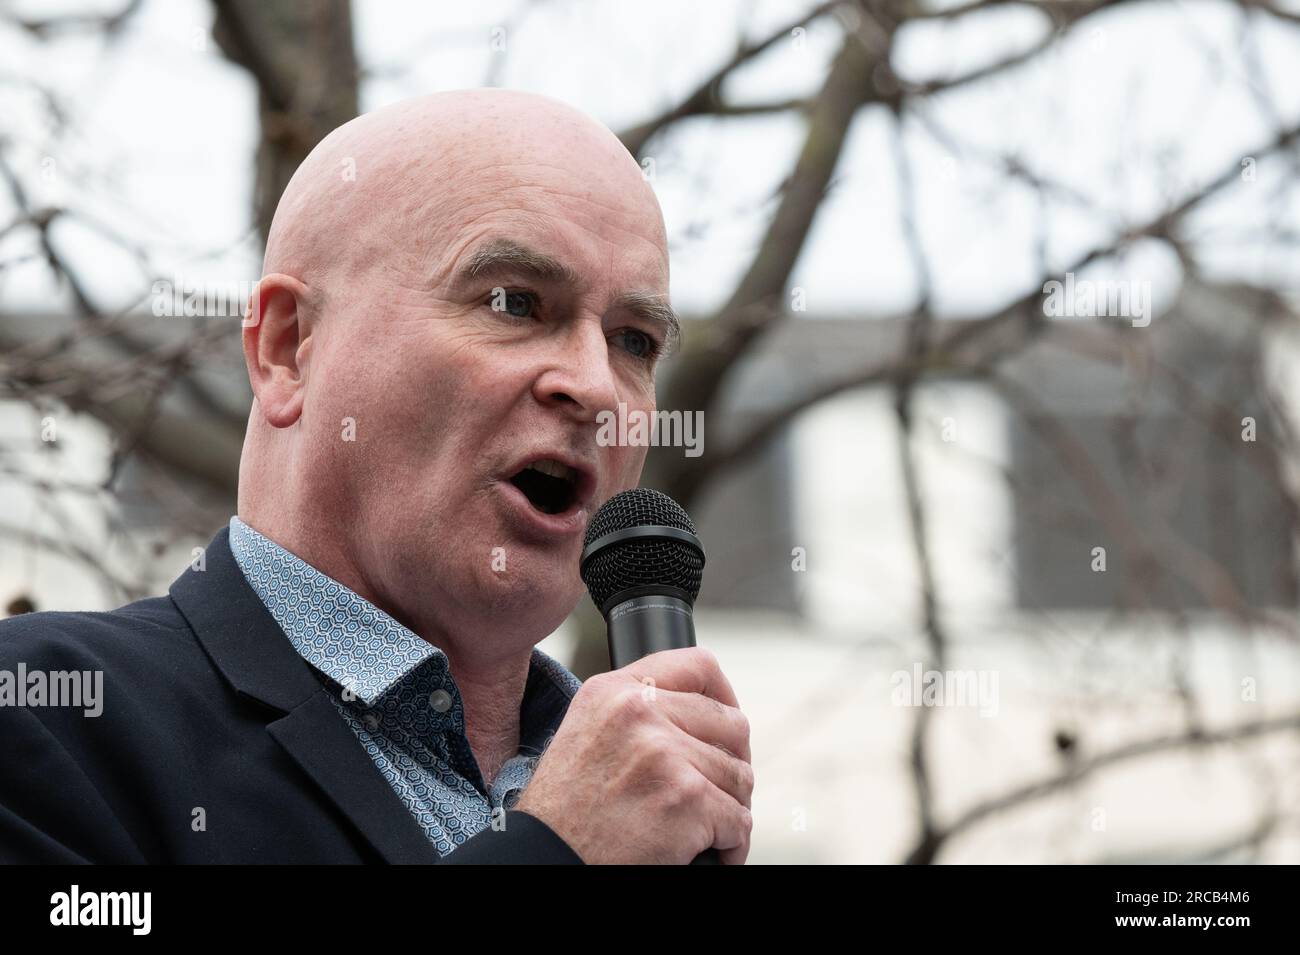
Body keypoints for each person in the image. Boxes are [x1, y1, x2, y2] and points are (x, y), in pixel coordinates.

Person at [0, 89, 753, 865]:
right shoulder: (44, 717)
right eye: (516, 303)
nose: (596, 387)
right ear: (288, 349)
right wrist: (555, 849)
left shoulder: (661, 798)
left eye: (633, 340)